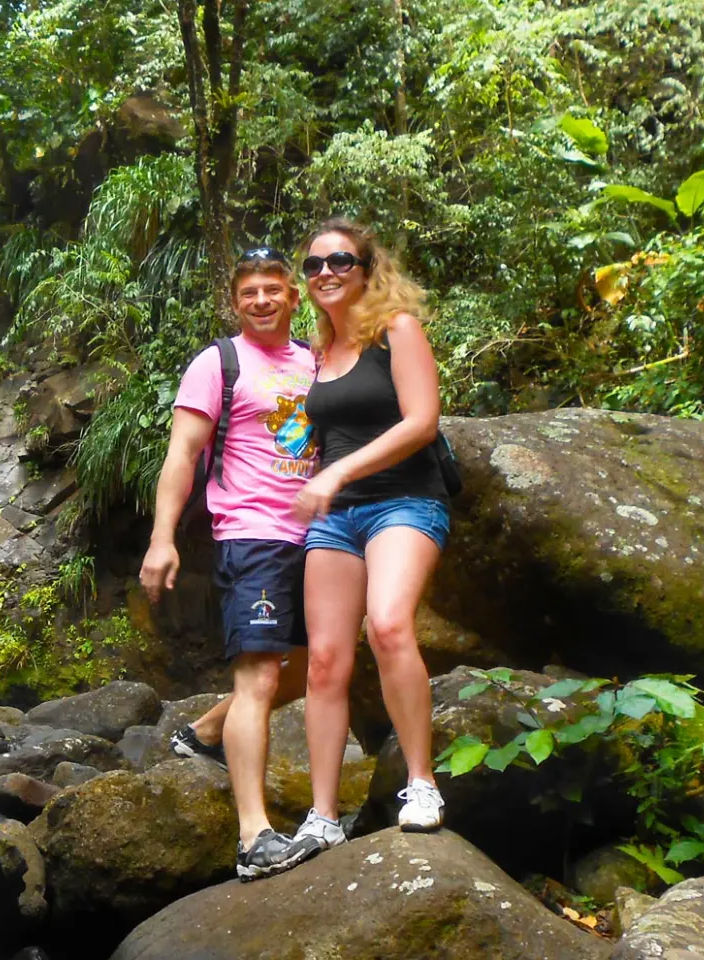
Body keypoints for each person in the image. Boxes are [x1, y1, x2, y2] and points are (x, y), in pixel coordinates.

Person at [266, 217, 449, 874]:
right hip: (336, 517)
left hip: (405, 501)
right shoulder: (319, 354)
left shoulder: (396, 329)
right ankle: (322, 817)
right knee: (323, 662)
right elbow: (305, 437)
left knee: (389, 625)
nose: (326, 273)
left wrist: (338, 472)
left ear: (367, 269)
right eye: (314, 265)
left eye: (340, 261)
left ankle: (422, 784)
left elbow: (422, 422)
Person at [140, 247, 317, 881]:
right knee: (261, 677)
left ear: (293, 295)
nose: (261, 300)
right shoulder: (218, 363)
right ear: (234, 301)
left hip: (318, 539)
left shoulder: (318, 361)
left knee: (314, 670)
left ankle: (206, 732)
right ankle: (253, 837)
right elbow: (182, 454)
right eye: (249, 292)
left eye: (272, 289)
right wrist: (162, 539)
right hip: (252, 535)